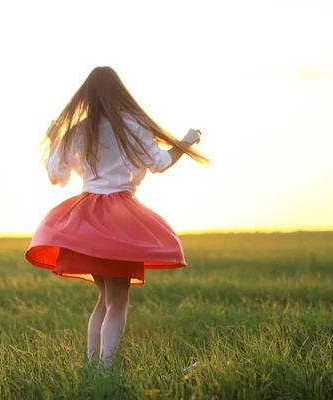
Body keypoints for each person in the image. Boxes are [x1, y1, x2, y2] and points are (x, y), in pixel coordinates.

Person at [25, 66, 210, 368]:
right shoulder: (132, 124)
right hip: (119, 219)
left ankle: (93, 366)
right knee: (117, 302)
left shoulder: (78, 130)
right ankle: (105, 369)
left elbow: (55, 175)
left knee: (105, 300)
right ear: (120, 92)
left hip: (86, 219)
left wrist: (56, 137)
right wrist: (186, 141)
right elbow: (160, 163)